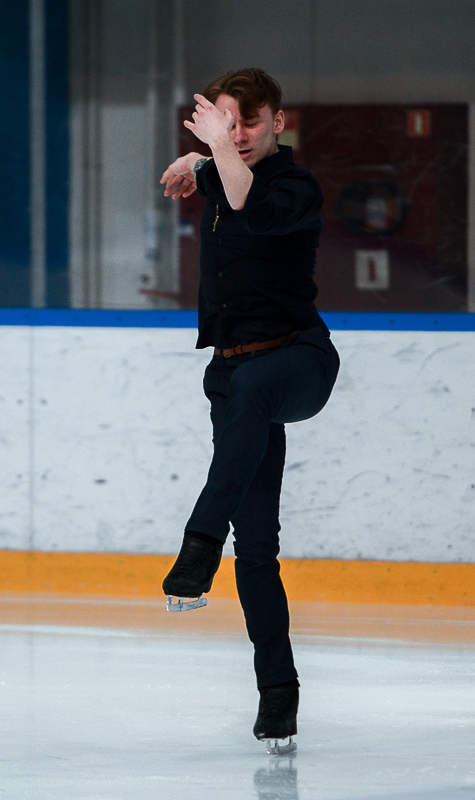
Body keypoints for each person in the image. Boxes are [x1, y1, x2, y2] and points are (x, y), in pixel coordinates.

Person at [159, 68, 339, 753]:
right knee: (257, 545)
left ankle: (197, 545)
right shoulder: (220, 167)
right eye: (227, 123)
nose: (238, 136)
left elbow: (247, 202)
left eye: (249, 124)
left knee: (257, 388)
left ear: (277, 125)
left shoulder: (294, 187)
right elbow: (216, 175)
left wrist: (211, 154)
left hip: (299, 359)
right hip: (233, 372)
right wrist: (192, 158)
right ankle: (278, 696)